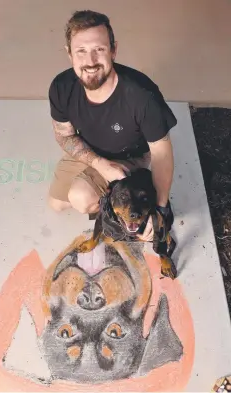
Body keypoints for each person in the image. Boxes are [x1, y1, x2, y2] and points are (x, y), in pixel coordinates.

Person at [48, 10, 177, 241]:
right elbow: (64, 136)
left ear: (113, 50)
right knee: (57, 204)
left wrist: (160, 208)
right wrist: (99, 164)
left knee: (80, 197)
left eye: (99, 49)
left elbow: (161, 153)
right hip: (89, 150)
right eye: (81, 51)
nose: (90, 62)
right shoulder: (61, 87)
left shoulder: (142, 96)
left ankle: (120, 208)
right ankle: (108, 196)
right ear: (70, 54)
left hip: (129, 157)